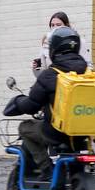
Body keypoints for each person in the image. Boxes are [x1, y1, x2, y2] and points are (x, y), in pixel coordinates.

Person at [6, 26, 88, 179]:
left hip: (57, 133)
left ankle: (46, 170)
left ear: (54, 49)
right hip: (82, 133)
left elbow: (32, 104)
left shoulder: (50, 75)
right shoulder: (88, 73)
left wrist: (18, 103)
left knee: (25, 128)